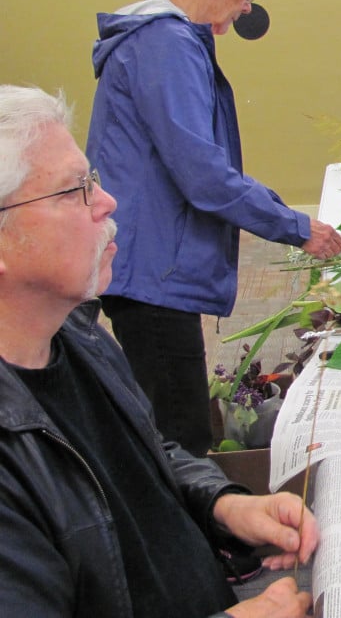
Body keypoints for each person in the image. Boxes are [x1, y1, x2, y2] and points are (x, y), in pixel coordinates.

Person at [0, 84, 317, 617]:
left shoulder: (76, 337)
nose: (106, 202)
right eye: (71, 191)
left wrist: (226, 505)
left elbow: (146, 458)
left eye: (92, 180)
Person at [86, 0, 341, 457]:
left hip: (151, 260)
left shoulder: (165, 40)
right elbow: (202, 174)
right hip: (152, 269)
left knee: (170, 421)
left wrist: (280, 210)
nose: (248, 5)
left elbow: (199, 163)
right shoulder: (167, 44)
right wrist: (294, 226)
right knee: (180, 440)